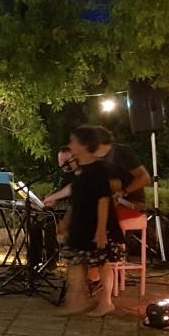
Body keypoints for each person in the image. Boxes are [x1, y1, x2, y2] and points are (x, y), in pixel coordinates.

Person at [58, 126, 124, 317]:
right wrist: (66, 221)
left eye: (73, 141)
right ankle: (76, 301)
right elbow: (76, 200)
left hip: (97, 224)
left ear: (84, 145)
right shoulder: (79, 169)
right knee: (76, 262)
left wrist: (101, 230)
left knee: (103, 263)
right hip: (82, 224)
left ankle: (106, 302)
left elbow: (103, 200)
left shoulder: (99, 169)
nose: (70, 145)